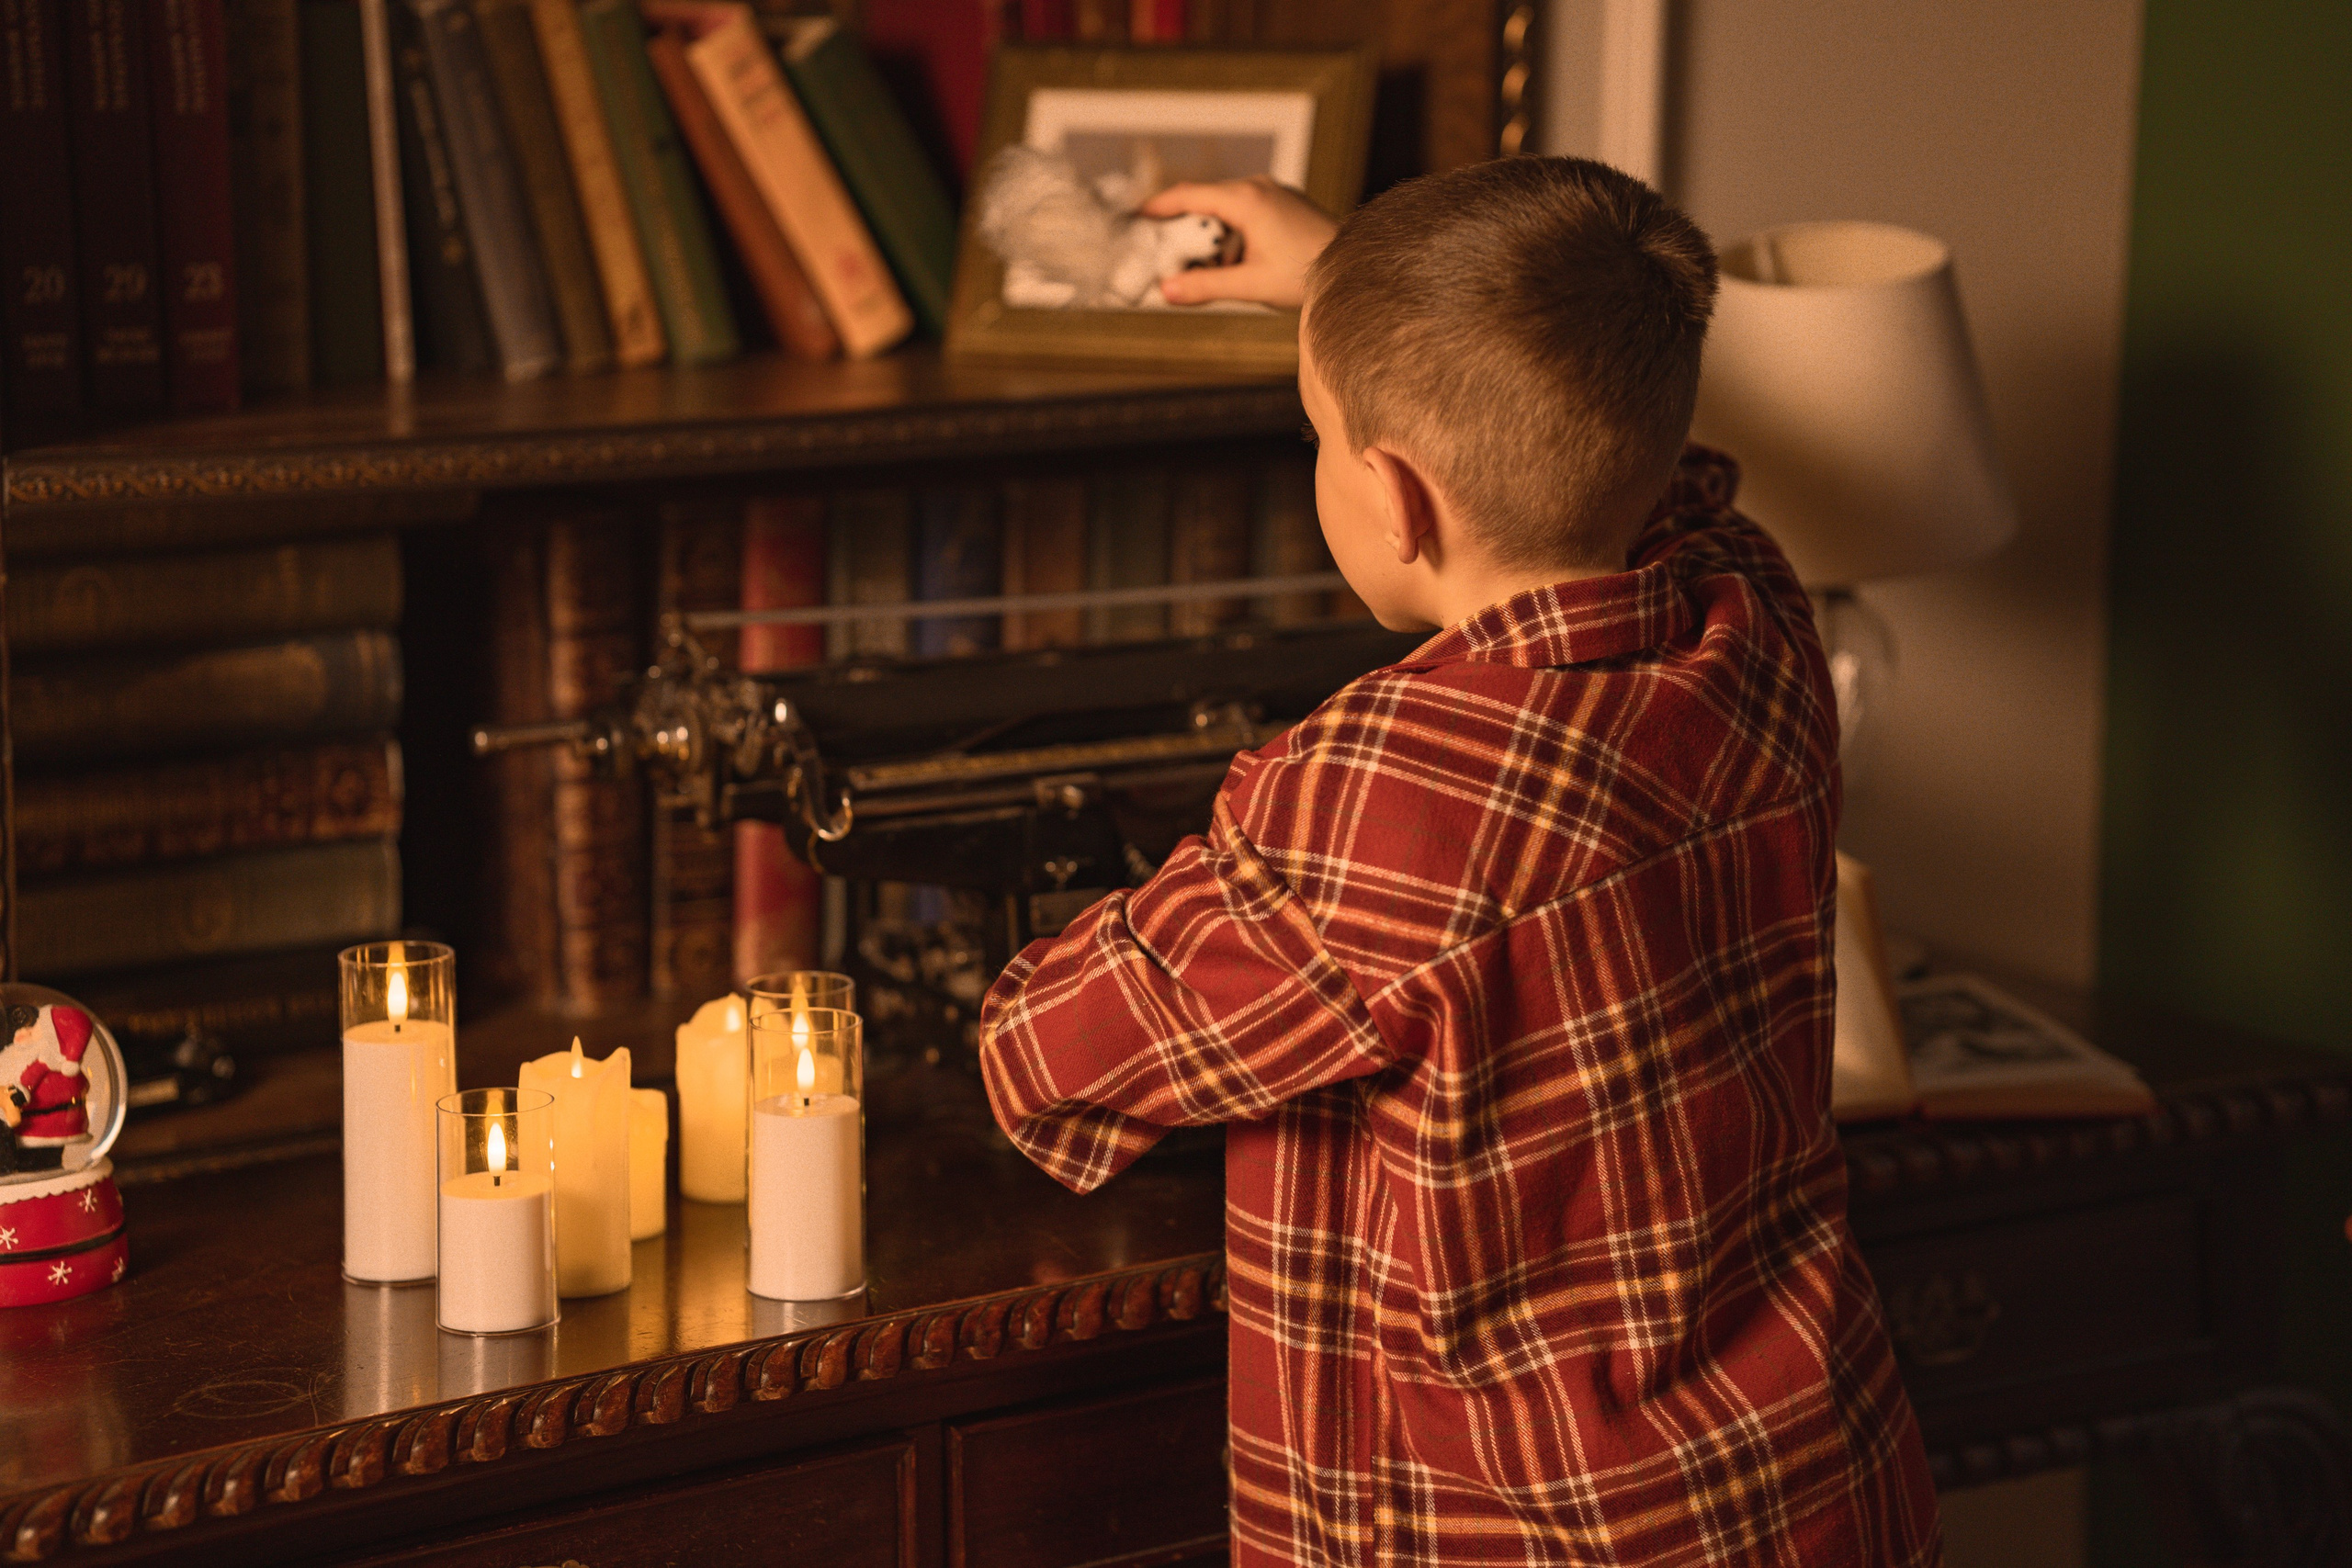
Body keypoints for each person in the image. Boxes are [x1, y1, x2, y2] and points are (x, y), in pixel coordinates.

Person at [977, 157, 1939, 1566]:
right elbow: (1634, 454)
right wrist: (1351, 293)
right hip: (1810, 1480)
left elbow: (1047, 1059)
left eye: (1315, 431)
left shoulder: (1384, 791)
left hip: (1526, 1530)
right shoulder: (1754, 613)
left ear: (1391, 494)